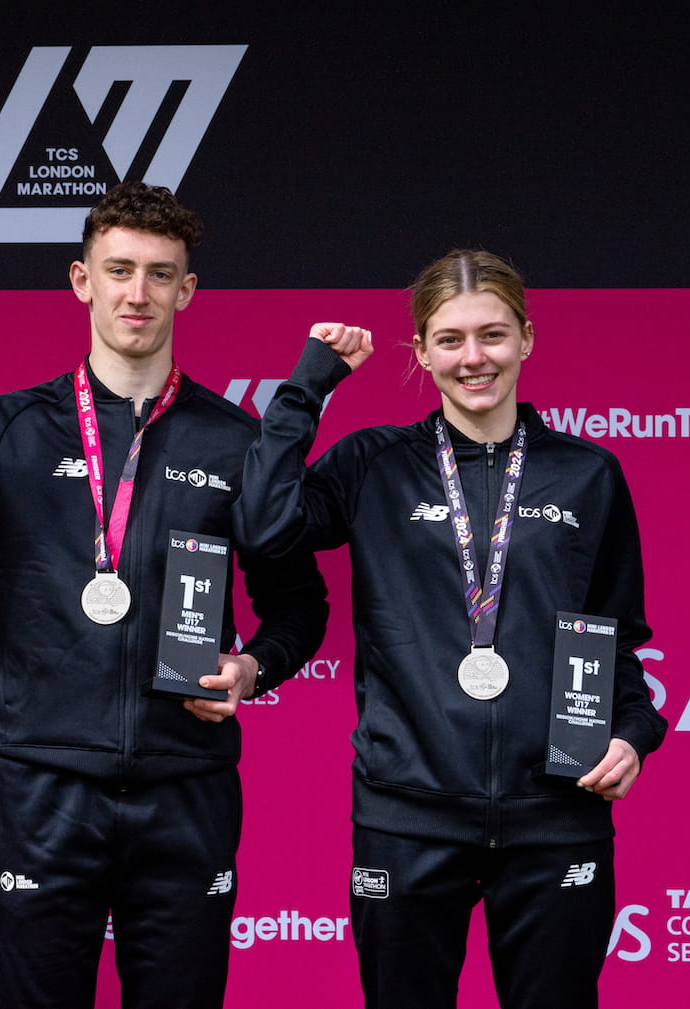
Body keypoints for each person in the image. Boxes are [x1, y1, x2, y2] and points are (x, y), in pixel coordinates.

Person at [0, 181, 329, 1008]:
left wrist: (256, 666)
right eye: (119, 270)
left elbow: (301, 605)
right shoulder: (10, 423)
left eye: (160, 274)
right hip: (43, 788)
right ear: (81, 279)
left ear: (187, 290)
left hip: (187, 786)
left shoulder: (236, 439)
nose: (138, 293)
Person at [235, 250, 667, 1008]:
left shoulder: (588, 473)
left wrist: (632, 733)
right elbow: (265, 525)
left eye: (493, 335)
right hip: (407, 811)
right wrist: (308, 384)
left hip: (557, 816)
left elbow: (619, 639)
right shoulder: (375, 464)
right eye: (451, 339)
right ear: (422, 352)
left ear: (527, 339)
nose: (474, 358)